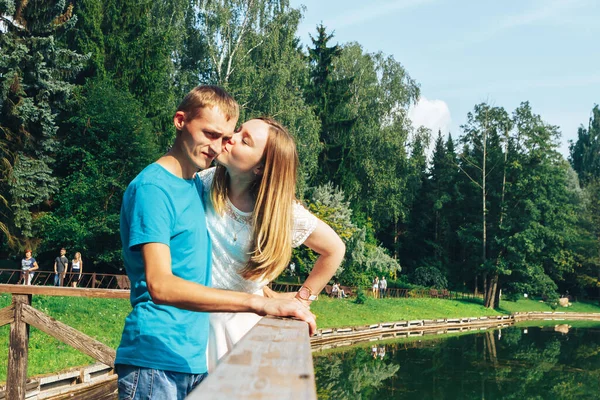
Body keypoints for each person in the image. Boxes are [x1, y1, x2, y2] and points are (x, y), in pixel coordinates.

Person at [115, 86, 316, 400]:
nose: (216, 146)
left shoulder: (195, 186)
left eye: (225, 137)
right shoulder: (153, 188)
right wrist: (259, 304)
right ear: (180, 120)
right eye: (209, 133)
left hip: (193, 358)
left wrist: (262, 288)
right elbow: (161, 285)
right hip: (155, 359)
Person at [199, 117, 345, 370]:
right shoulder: (203, 183)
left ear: (260, 168)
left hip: (240, 328)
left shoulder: (281, 212)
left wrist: (303, 299)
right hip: (196, 320)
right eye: (238, 130)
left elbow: (335, 249)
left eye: (244, 140)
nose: (230, 137)